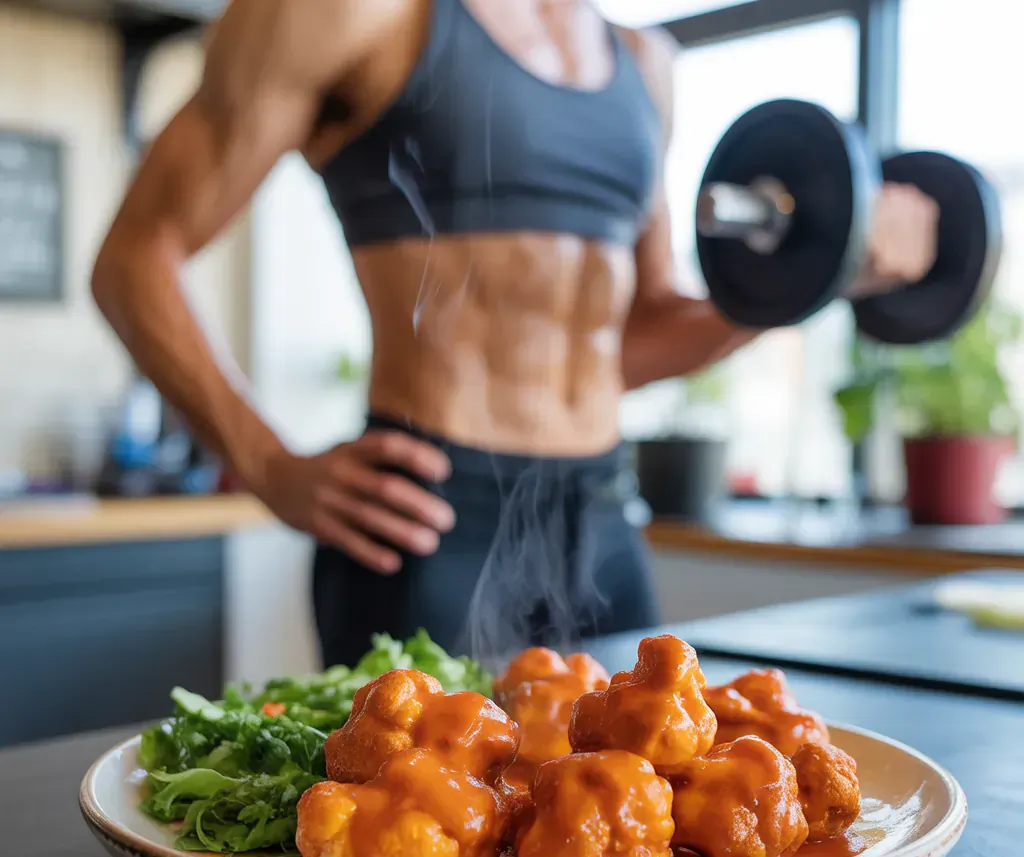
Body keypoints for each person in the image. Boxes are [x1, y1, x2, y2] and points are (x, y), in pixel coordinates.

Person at [91, 0, 938, 668]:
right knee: (419, 854)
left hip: (603, 516)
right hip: (431, 512)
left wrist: (820, 274)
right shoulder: (351, 11)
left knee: (641, 833)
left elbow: (634, 337)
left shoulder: (646, 65)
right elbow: (134, 257)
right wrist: (268, 462)